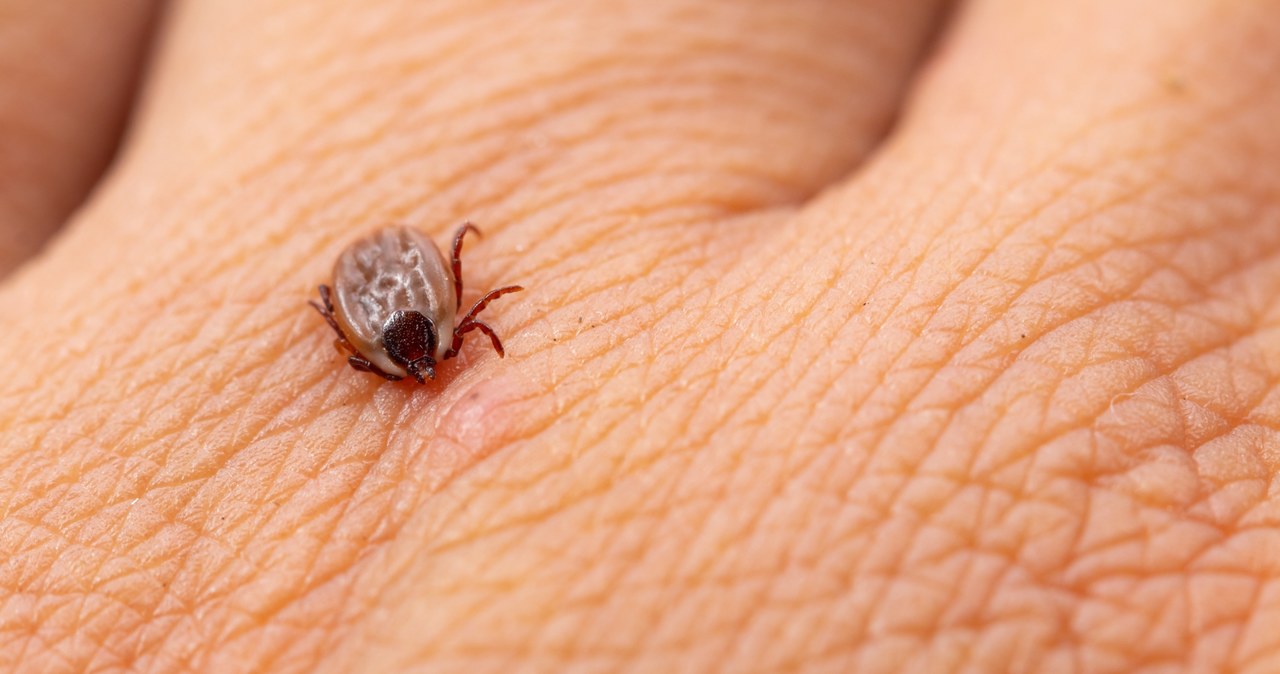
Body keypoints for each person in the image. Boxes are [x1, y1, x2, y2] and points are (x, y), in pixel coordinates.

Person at [1, 1, 1278, 671]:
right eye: (420, 355)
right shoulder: (418, 323)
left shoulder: (398, 326)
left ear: (430, 329)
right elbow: (379, 298)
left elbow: (356, 298)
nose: (435, 362)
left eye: (432, 348)